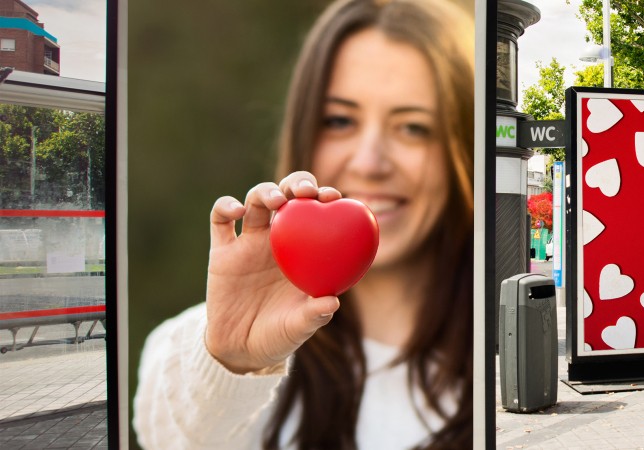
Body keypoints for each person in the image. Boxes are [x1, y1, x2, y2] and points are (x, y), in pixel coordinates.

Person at [133, 0, 473, 448]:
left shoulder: (484, 354)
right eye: (339, 120)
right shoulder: (197, 348)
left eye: (413, 127)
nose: (370, 162)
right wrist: (233, 363)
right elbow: (169, 437)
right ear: (303, 130)